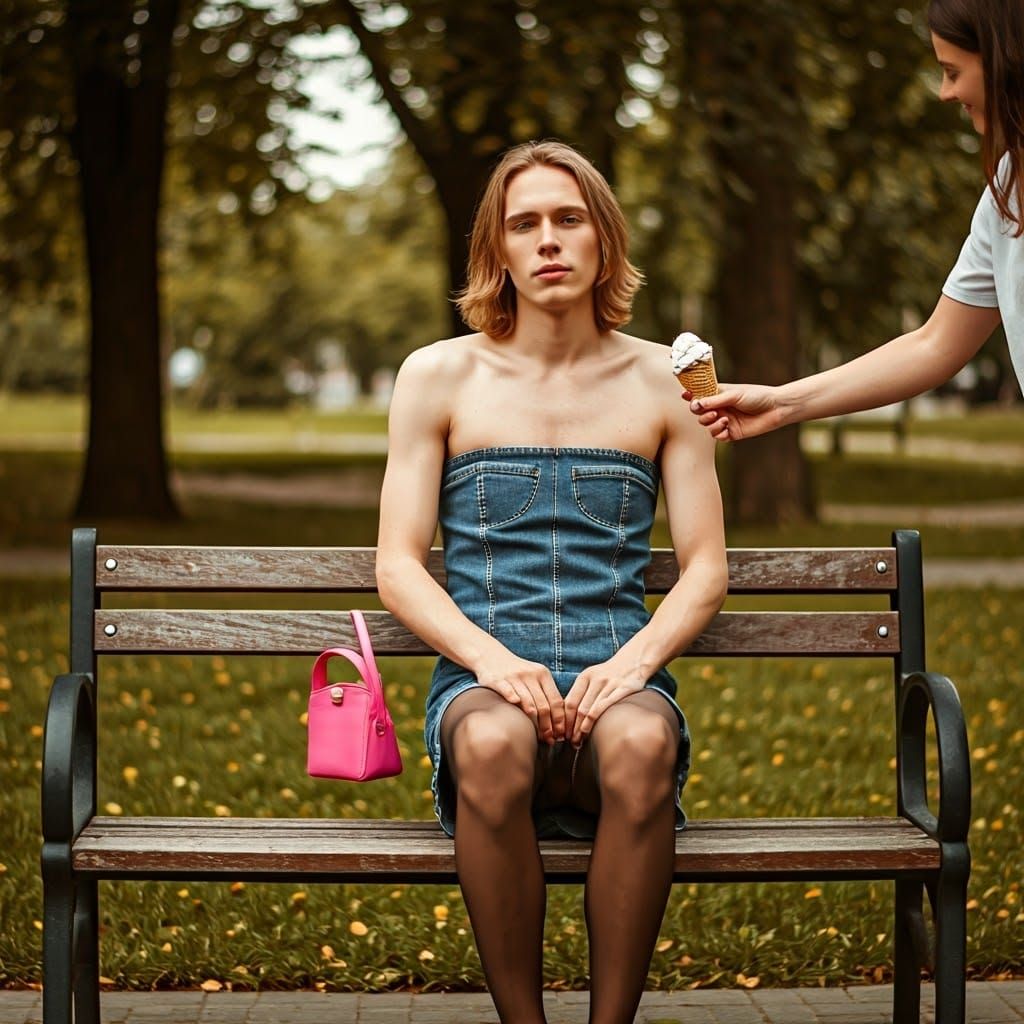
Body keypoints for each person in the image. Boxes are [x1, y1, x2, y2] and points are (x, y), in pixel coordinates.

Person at [375, 140, 728, 1024]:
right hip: (484, 687)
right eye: (523, 224)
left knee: (644, 746)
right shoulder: (438, 375)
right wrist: (494, 664)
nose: (548, 242)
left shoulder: (666, 381)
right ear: (496, 250)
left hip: (622, 681)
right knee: (493, 746)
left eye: (568, 220)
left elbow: (706, 570)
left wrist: (634, 667)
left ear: (602, 239)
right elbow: (396, 566)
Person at [687, 0, 1021, 442]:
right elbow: (934, 344)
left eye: (953, 72)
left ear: (1005, 61)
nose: (944, 92)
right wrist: (781, 403)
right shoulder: (1006, 190)